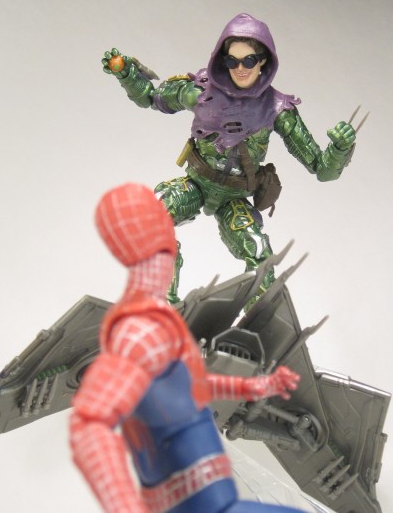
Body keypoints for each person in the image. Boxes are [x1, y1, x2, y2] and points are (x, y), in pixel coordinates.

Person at [69, 182, 305, 513]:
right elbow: (90, 426)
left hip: (219, 496)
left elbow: (191, 385)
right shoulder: (136, 331)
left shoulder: (159, 329)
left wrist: (252, 386)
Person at [103, 13, 356, 304]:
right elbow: (151, 97)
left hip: (234, 198)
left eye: (249, 60)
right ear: (222, 60)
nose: (240, 68)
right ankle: (164, 303)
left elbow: (322, 169)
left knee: (259, 256)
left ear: (263, 61)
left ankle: (255, 319)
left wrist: (339, 149)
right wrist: (126, 74)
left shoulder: (277, 110)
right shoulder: (198, 92)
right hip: (196, 184)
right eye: (232, 61)